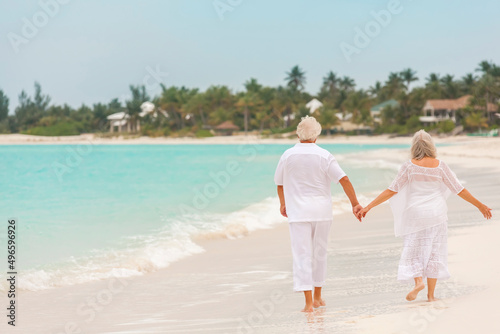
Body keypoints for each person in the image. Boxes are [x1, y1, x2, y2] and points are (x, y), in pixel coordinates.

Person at [357, 130, 492, 302]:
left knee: (414, 250)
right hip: (437, 213)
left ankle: (418, 281)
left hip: (416, 213)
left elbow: (392, 190)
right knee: (435, 252)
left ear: (414, 147)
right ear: (431, 146)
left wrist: (368, 206)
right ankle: (431, 296)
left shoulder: (409, 166)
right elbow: (459, 189)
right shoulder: (440, 165)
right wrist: (480, 206)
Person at [274, 116, 363, 312]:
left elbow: (279, 182)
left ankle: (307, 304)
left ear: (298, 134)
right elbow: (344, 179)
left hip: (298, 213)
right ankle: (318, 297)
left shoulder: (287, 155)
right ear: (317, 135)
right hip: (322, 212)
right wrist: (355, 203)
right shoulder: (324, 155)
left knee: (302, 255)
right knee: (319, 254)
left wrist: (283, 204)